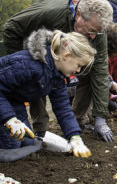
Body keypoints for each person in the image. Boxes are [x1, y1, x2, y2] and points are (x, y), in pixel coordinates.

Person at [3, 0, 114, 143]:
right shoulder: (50, 12)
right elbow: (12, 27)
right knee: (38, 79)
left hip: (60, 63)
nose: (94, 36)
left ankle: (75, 122)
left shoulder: (97, 28)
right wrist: (20, 62)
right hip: (34, 57)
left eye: (98, 32)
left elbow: (100, 69)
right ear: (79, 14)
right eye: (91, 30)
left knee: (87, 72)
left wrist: (100, 116)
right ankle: (40, 128)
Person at [0, 29, 94, 159]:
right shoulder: (29, 65)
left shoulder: (58, 76)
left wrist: (75, 137)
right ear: (66, 56)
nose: (78, 70)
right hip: (3, 100)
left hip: (13, 101)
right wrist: (9, 118)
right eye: (78, 65)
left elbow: (62, 107)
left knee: (27, 142)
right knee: (11, 146)